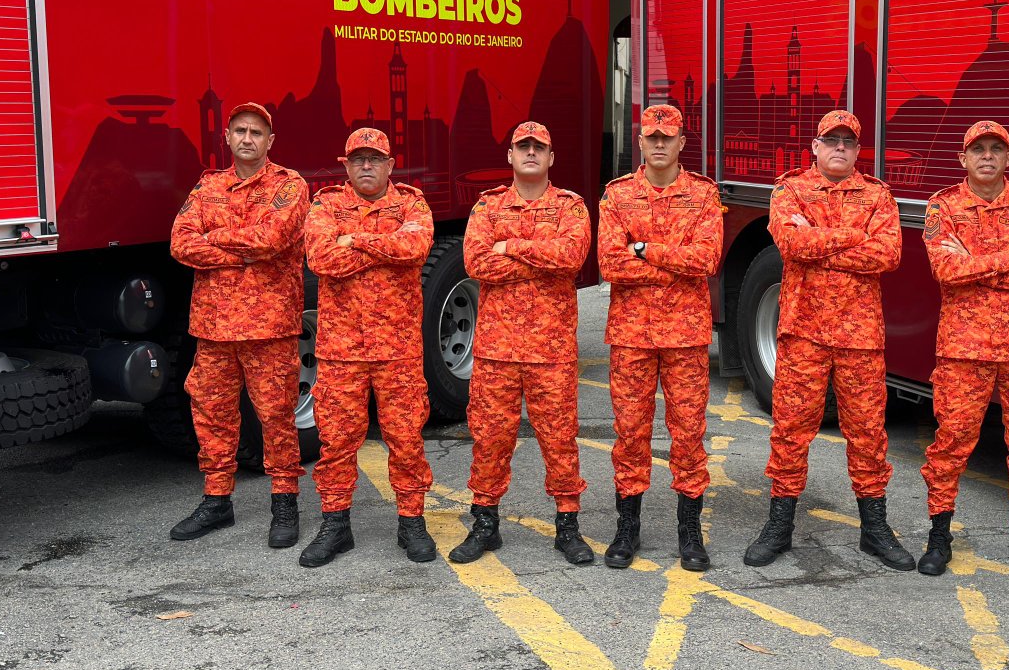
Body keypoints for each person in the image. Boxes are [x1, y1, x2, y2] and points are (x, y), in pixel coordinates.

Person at [745, 109, 914, 571]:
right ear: (815, 147)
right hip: (803, 335)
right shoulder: (790, 190)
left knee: (867, 435)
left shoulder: (877, 195)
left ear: (858, 151)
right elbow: (792, 246)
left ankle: (875, 530)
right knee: (790, 432)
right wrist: (854, 237)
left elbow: (889, 254)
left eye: (848, 141)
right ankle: (779, 526)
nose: (839, 147)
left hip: (860, 337)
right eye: (831, 139)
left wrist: (820, 239)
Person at [918, 119, 1009, 582]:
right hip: (964, 350)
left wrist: (977, 267)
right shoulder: (943, 206)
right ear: (962, 158)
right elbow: (945, 269)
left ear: (1008, 158)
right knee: (952, 443)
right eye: (977, 149)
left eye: (995, 150)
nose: (986, 156)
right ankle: (939, 535)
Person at [167, 101, 311, 544]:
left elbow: (272, 239)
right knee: (212, 413)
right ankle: (216, 501)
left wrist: (214, 240)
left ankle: (285, 503)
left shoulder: (290, 186)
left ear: (270, 141)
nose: (248, 138)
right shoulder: (207, 187)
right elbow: (180, 243)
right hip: (212, 328)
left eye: (257, 132)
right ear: (227, 138)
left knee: (276, 417)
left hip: (269, 326)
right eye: (240, 131)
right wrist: (241, 251)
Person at [453, 122, 593, 566]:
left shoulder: (572, 207)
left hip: (551, 350)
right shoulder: (488, 205)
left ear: (551, 158)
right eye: (523, 147)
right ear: (510, 157)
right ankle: (484, 524)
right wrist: (539, 257)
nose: (531, 152)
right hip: (497, 350)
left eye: (540, 147)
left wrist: (509, 245)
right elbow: (476, 263)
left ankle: (568, 527)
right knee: (490, 439)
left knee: (560, 440)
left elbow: (571, 258)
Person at [299, 128, 437, 567]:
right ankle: (336, 525)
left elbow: (416, 246)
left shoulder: (411, 203)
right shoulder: (325, 204)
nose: (366, 165)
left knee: (406, 438)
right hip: (341, 350)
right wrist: (383, 247)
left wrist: (353, 240)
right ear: (345, 165)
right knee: (336, 442)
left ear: (390, 165)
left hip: (398, 349)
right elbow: (320, 259)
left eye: (374, 158)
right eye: (357, 158)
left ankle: (411, 521)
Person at [598, 103, 723, 571]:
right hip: (631, 336)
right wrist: (675, 263)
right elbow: (610, 264)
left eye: (666, 137)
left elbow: (707, 259)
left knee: (688, 435)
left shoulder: (704, 196)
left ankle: (689, 533)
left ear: (681, 143)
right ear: (641, 141)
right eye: (651, 136)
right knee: (630, 434)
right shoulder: (617, 196)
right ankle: (627, 529)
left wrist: (646, 250)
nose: (658, 143)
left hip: (685, 337)